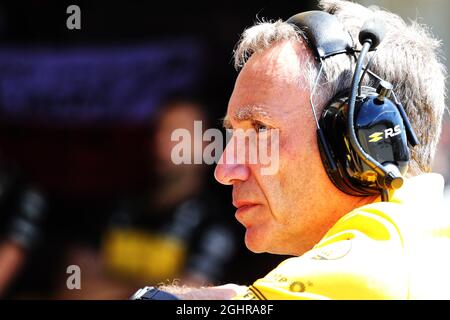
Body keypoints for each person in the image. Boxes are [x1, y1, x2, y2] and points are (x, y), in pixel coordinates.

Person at [131, 0, 448, 300]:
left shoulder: (375, 265)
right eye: (232, 136)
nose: (224, 170)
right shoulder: (420, 241)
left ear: (359, 137)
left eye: (260, 130)